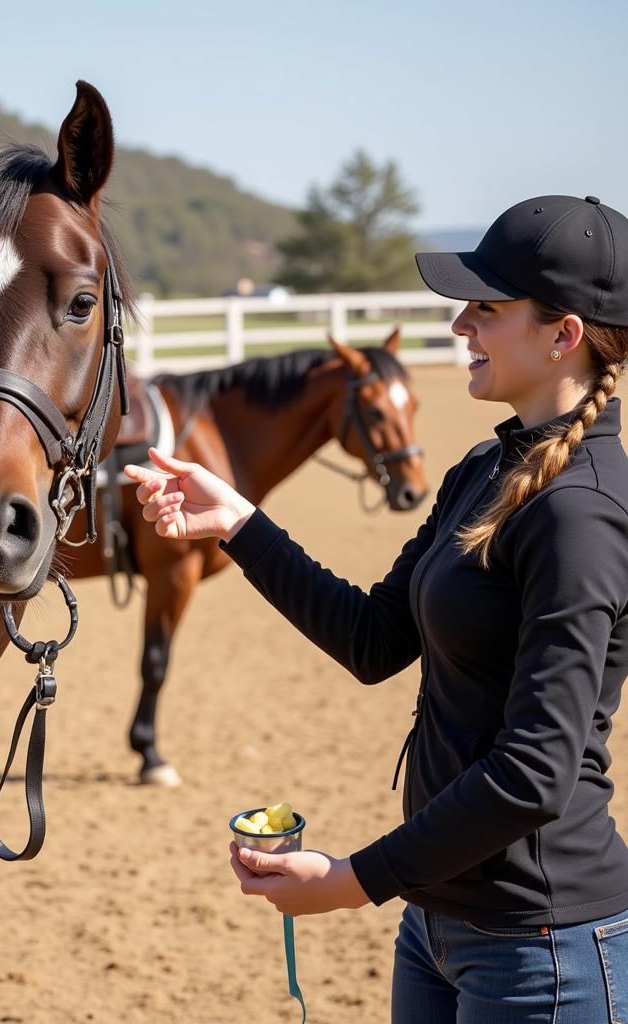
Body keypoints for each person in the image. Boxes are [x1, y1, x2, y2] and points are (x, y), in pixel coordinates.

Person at [125, 195, 628, 1022]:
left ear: (562, 334)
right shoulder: (482, 470)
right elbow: (374, 639)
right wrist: (240, 523)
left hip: (543, 951)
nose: (461, 322)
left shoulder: (581, 514)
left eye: (487, 308)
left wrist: (355, 880)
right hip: (435, 923)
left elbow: (536, 773)